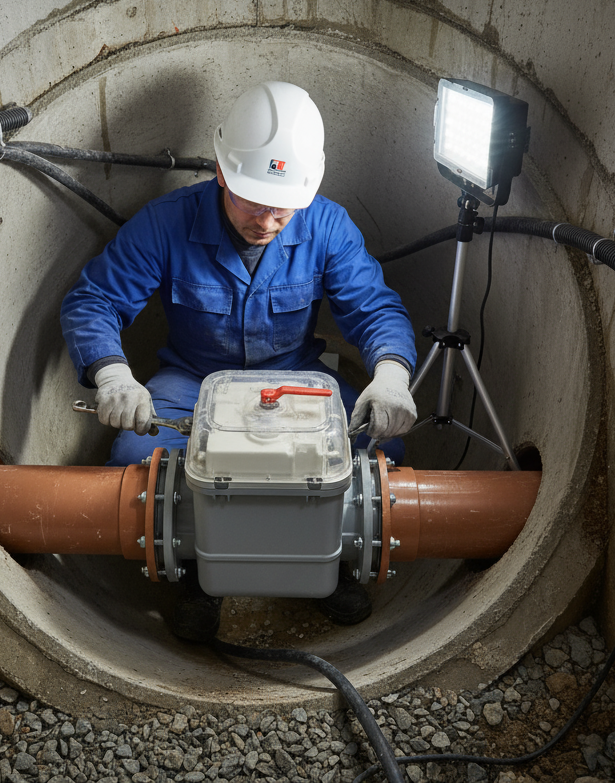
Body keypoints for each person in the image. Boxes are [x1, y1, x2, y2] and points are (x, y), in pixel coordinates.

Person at [60, 80, 417, 641]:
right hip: (194, 381)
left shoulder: (325, 225)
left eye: (285, 208)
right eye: (256, 201)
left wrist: (392, 376)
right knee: (135, 459)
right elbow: (94, 300)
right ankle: (198, 572)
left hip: (296, 377)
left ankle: (337, 555)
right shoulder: (167, 223)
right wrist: (113, 374)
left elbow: (374, 308)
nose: (271, 220)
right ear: (223, 173)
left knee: (380, 445)